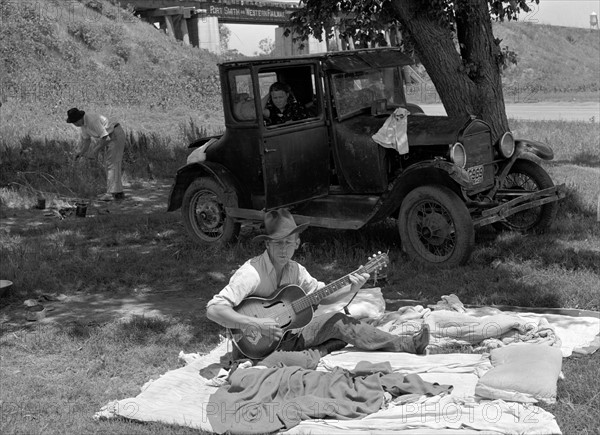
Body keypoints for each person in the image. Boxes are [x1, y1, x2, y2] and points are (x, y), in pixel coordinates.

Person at [206, 209, 430, 369]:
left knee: (339, 320)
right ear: (267, 244)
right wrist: (255, 323)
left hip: (290, 336)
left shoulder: (296, 270)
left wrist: (354, 285)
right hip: (255, 348)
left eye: (289, 242)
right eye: (278, 243)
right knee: (306, 363)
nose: (284, 249)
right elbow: (213, 309)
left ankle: (408, 344)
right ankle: (319, 351)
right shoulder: (251, 273)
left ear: (297, 243)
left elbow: (322, 296)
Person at [66, 107, 126, 201]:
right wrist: (81, 153)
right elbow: (87, 141)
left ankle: (111, 194)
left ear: (80, 118)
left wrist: (95, 151)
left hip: (115, 134)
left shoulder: (92, 121)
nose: (74, 124)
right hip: (109, 136)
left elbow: (106, 138)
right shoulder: (83, 126)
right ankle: (118, 193)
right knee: (111, 163)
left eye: (75, 122)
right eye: (73, 122)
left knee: (112, 163)